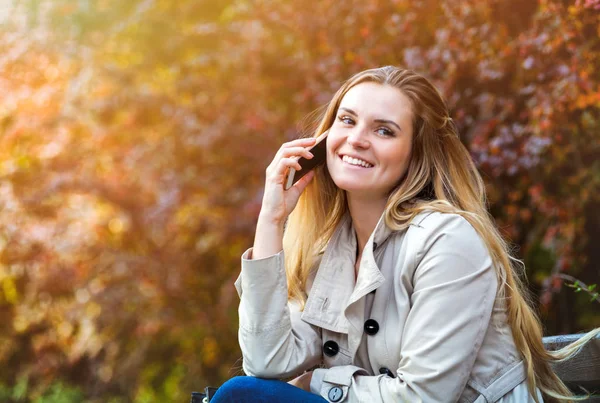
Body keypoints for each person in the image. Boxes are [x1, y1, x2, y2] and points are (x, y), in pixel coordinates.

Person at [211, 66, 599, 403]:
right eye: (347, 121)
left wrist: (315, 382)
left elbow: (422, 398)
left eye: (384, 130)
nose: (357, 139)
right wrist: (271, 219)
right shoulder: (331, 249)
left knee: (240, 398)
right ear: (322, 140)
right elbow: (266, 360)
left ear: (416, 153)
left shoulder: (447, 240)